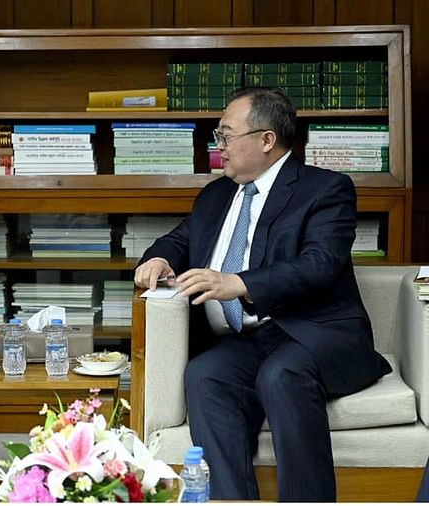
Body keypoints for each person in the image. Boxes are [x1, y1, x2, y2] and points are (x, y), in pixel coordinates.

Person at [134, 87, 390, 501]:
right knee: (205, 375)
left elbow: (320, 263)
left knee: (281, 375)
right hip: (248, 340)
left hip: (313, 332)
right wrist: (159, 259)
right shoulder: (216, 195)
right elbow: (179, 241)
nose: (219, 148)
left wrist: (240, 283)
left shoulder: (325, 190)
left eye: (226, 136)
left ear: (266, 139)